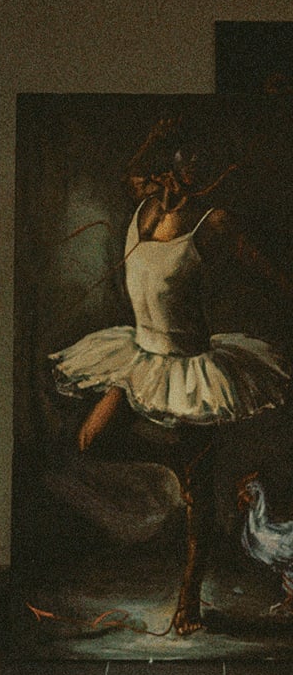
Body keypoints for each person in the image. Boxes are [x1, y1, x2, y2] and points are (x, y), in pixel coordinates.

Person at [52, 116, 293, 634]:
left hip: (191, 370)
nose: (182, 184)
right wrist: (155, 137)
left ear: (212, 179)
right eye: (178, 173)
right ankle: (180, 461)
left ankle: (189, 601)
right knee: (92, 440)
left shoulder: (214, 222)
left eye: (195, 177)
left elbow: (262, 267)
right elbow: (132, 172)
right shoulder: (145, 203)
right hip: (137, 356)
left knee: (197, 497)